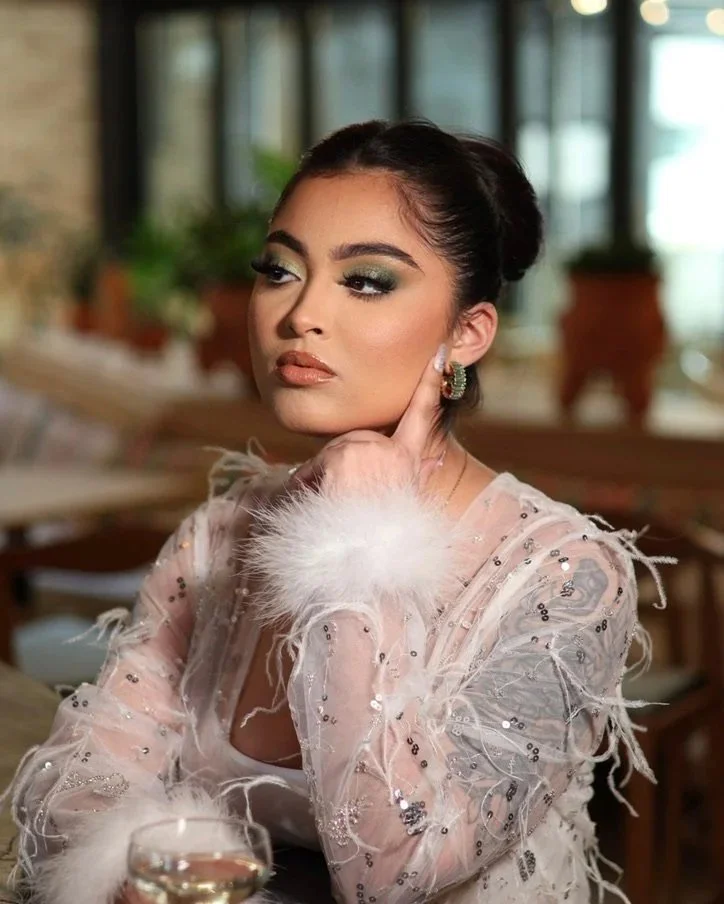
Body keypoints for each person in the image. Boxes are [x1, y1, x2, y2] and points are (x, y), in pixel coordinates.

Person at [2, 120, 669, 904]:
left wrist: (359, 538)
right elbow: (74, 797)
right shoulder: (219, 540)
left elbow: (397, 873)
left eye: (367, 281)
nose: (300, 314)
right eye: (279, 270)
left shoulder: (563, 574)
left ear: (466, 334)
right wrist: (140, 868)